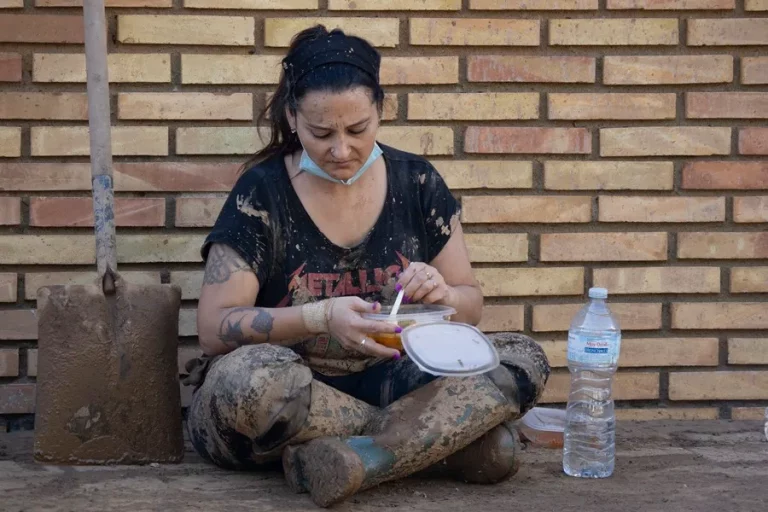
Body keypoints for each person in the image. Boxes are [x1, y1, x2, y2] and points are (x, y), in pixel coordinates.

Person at [183, 25, 550, 508]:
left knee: (520, 357)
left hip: (392, 378)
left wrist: (443, 295)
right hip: (298, 391)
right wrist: (320, 317)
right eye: (321, 133)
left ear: (382, 110)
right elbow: (213, 328)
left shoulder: (416, 181)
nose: (341, 150)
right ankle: (436, 444)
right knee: (251, 382)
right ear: (292, 117)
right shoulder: (262, 193)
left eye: (358, 130)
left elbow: (470, 305)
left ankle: (361, 457)